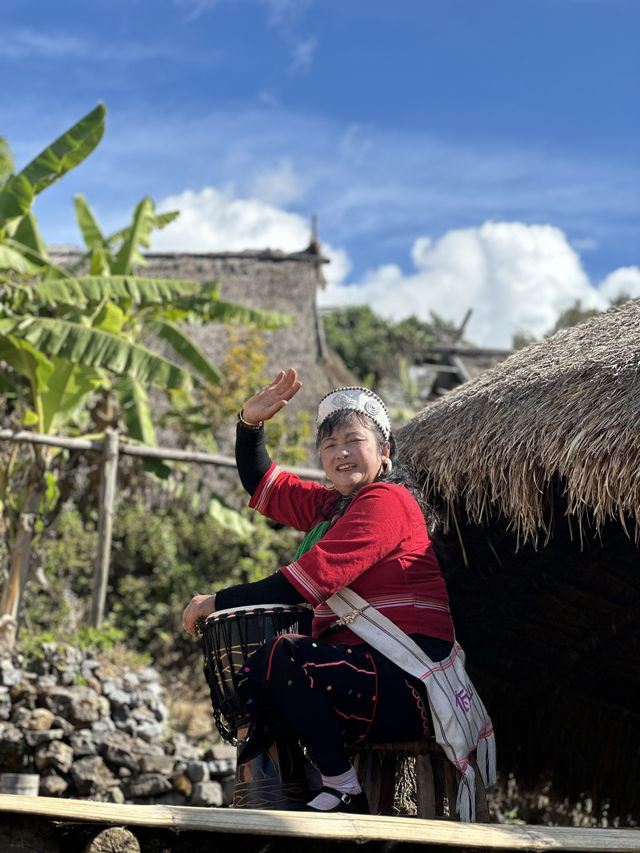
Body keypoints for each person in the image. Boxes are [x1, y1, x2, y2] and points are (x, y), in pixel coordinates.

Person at [182, 368, 455, 814]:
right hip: (369, 676)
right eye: (329, 445)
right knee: (267, 672)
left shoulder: (387, 500)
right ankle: (288, 790)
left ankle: (342, 788)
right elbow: (264, 484)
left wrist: (216, 602)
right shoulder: (333, 506)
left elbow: (306, 583)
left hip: (414, 685)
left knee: (285, 655)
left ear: (384, 452)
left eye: (353, 441)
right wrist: (249, 424)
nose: (340, 453)